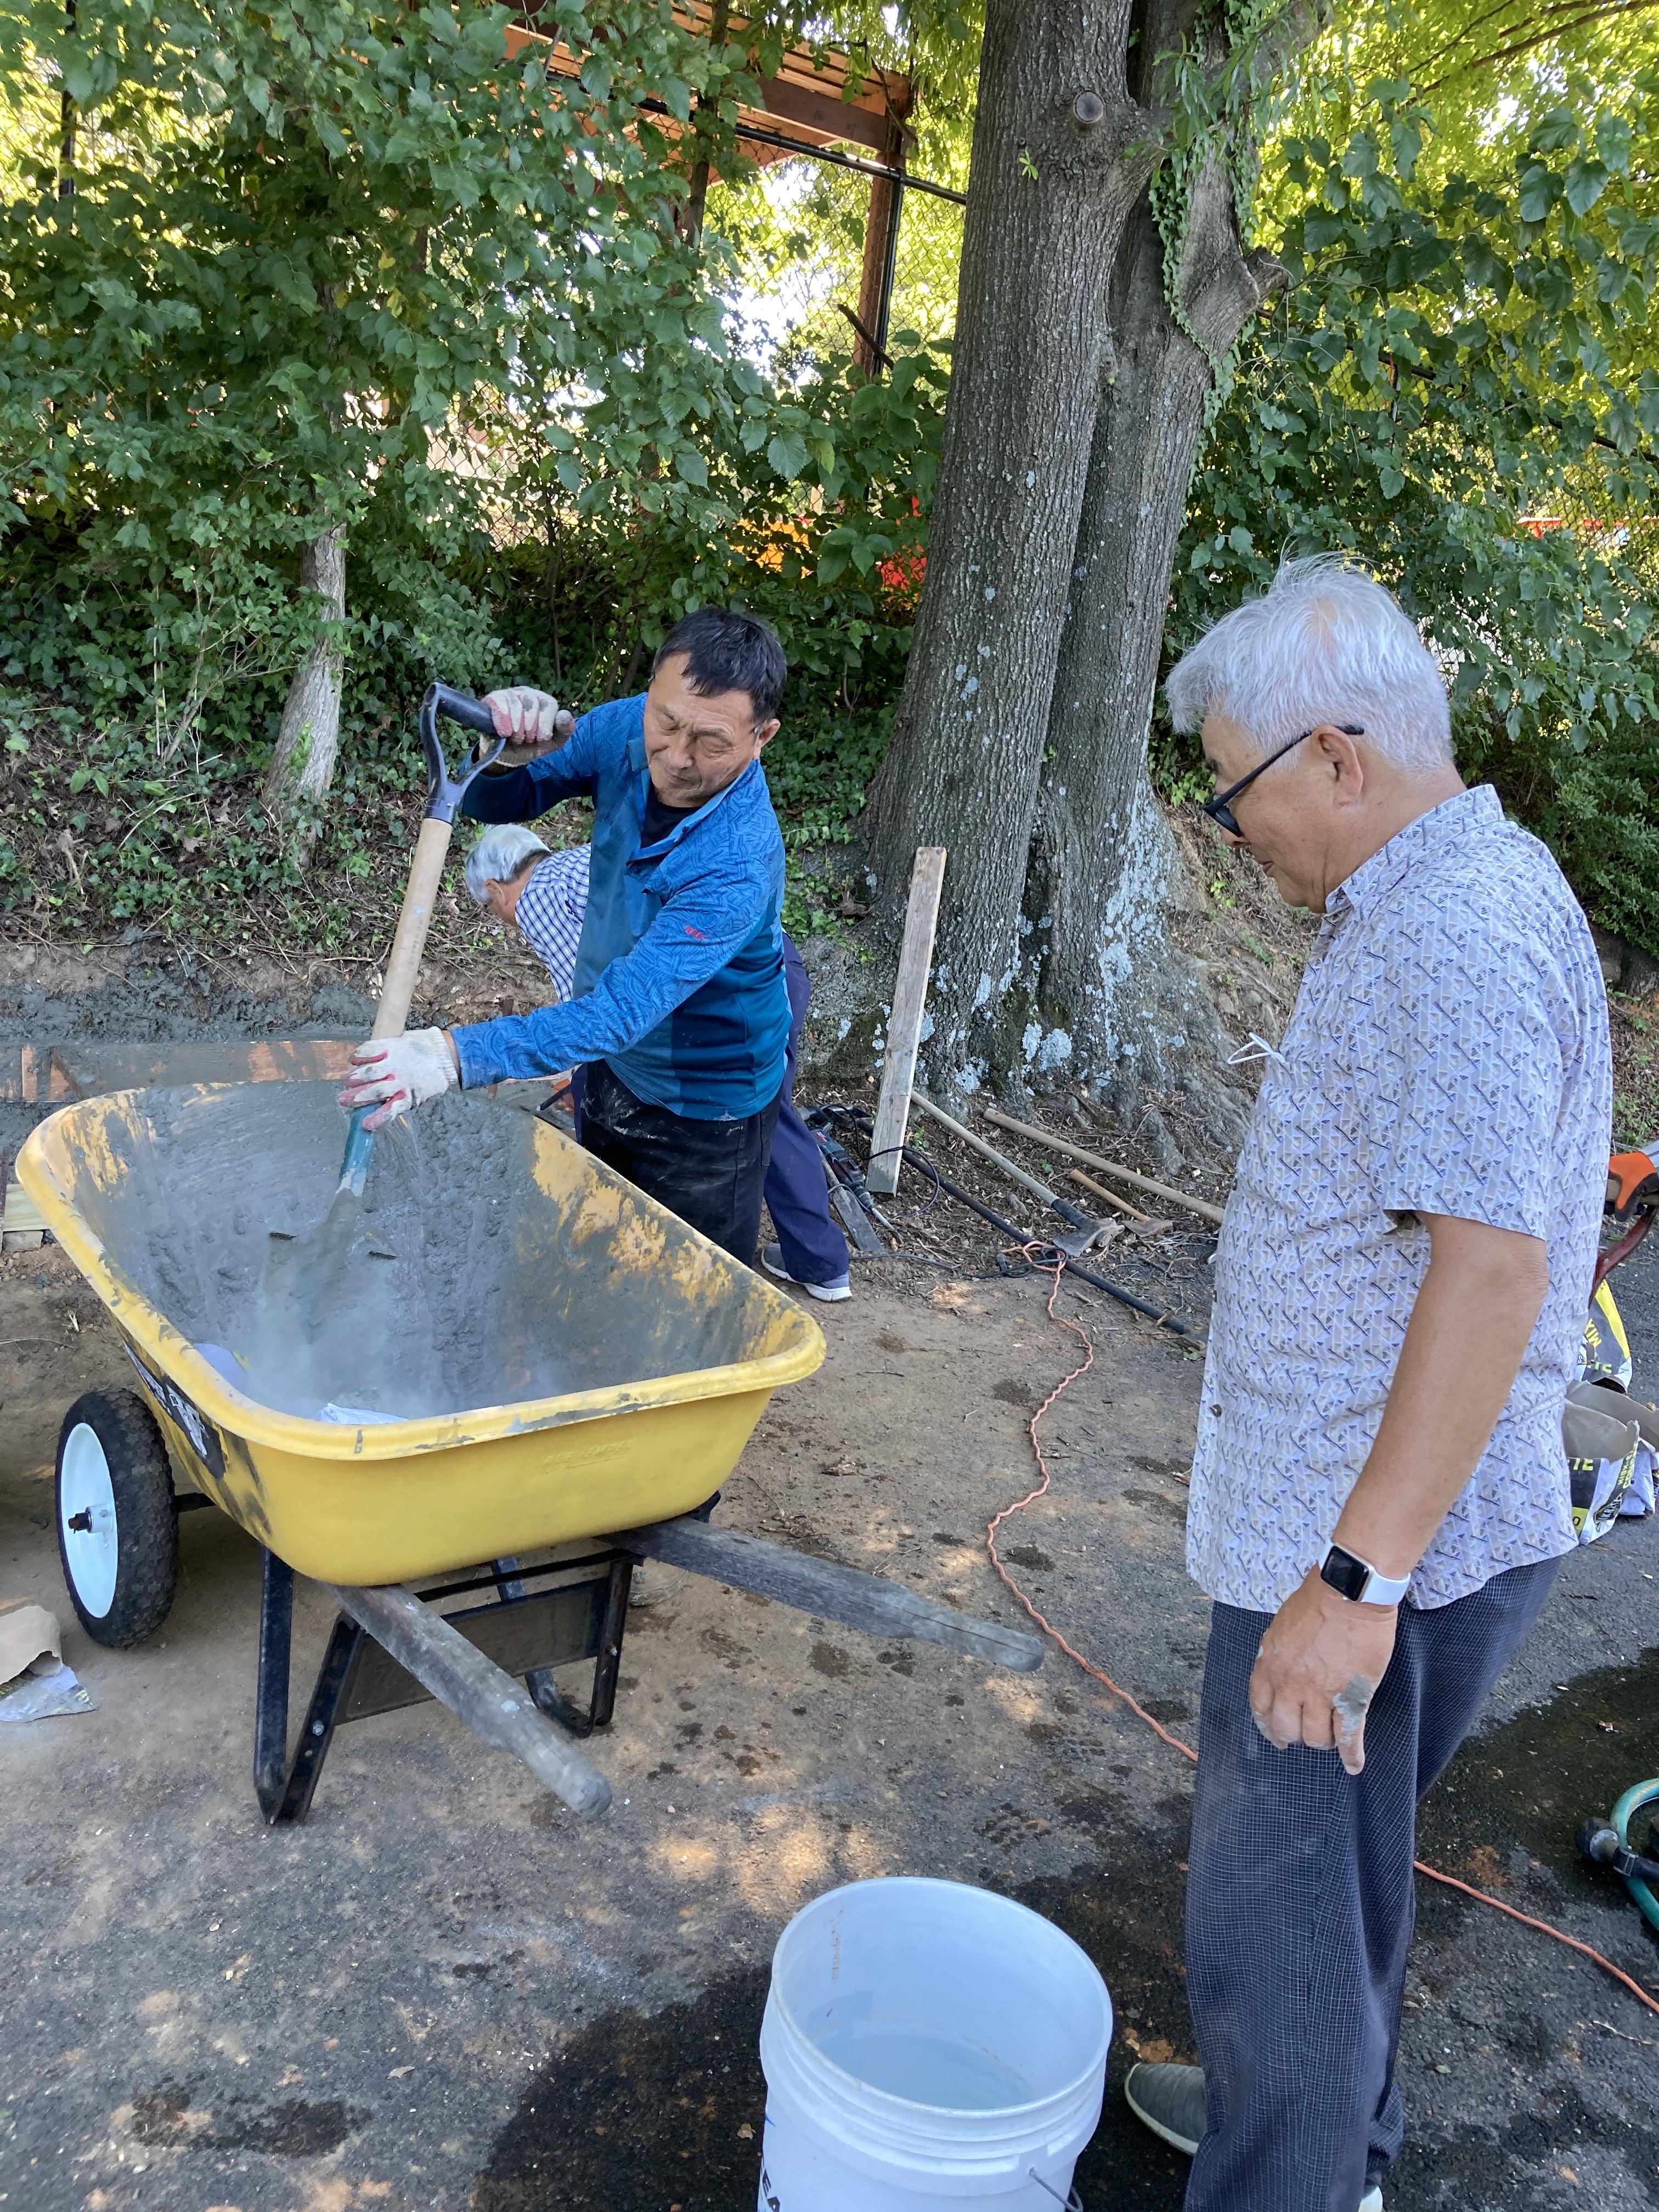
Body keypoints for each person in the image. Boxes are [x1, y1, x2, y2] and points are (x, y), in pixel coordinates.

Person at [1122, 559, 1610, 2212]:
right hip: (1376, 1524)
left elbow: (1495, 1272)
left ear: (1338, 756)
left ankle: (1293, 2166)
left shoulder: (1451, 933)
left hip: (1359, 1545)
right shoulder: (1447, 891)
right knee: (1332, 1900)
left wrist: (1353, 1584)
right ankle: (1331, 2144)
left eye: (1232, 790)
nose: (1227, 828)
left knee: (1275, 1928)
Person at [340, 608, 793, 1267]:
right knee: (597, 1255)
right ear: (652, 692)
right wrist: (501, 759)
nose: (676, 756)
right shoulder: (622, 728)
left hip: (707, 1105)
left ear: (762, 737)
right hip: (609, 1066)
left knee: (687, 1293)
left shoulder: (737, 861)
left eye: (710, 742)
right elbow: (496, 803)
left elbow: (619, 1013)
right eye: (666, 722)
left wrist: (451, 1056)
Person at [464, 823, 851, 1298]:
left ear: (495, 889)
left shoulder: (537, 896)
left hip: (718, 987)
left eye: (492, 909)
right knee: (767, 1112)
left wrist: (575, 1079)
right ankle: (819, 1260)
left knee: (613, 1093)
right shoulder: (586, 862)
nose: (505, 919)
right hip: (765, 963)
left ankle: (611, 1233)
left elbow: (589, 1014)